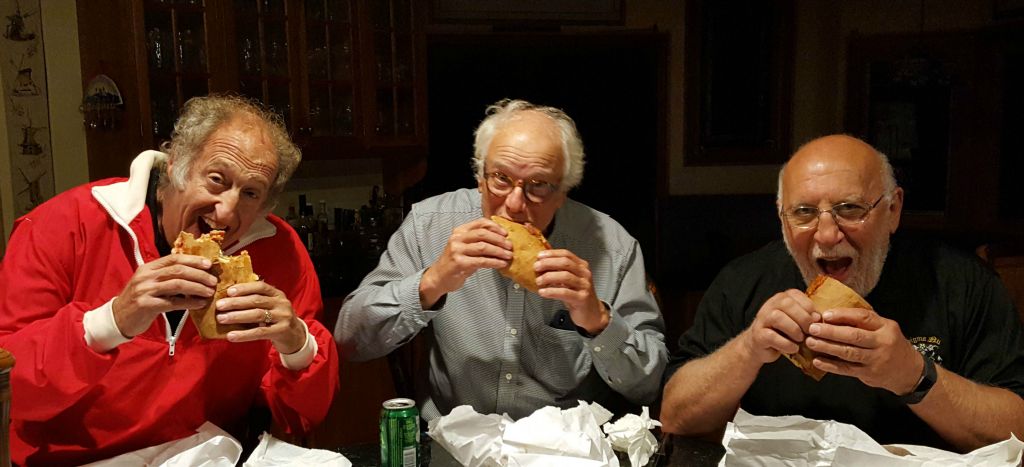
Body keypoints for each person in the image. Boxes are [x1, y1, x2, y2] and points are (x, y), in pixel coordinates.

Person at [0, 95, 339, 465]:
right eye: (216, 179)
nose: (226, 211)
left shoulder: (282, 254)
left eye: (250, 193)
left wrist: (298, 345)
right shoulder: (61, 227)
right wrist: (111, 321)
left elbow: (303, 414)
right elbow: (12, 391)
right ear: (176, 163)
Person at [660, 134, 1024, 451]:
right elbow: (675, 419)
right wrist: (749, 349)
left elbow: (1017, 432)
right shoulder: (743, 281)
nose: (826, 235)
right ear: (781, 219)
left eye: (850, 209)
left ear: (893, 209)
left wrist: (914, 376)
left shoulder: (962, 283)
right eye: (803, 212)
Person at [336, 98, 667, 420]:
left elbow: (649, 386)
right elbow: (350, 340)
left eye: (538, 185)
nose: (514, 204)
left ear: (564, 190)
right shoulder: (429, 224)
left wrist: (598, 320)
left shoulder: (613, 247)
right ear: (480, 178)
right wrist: (431, 282)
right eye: (501, 179)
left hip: (565, 448)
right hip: (454, 439)